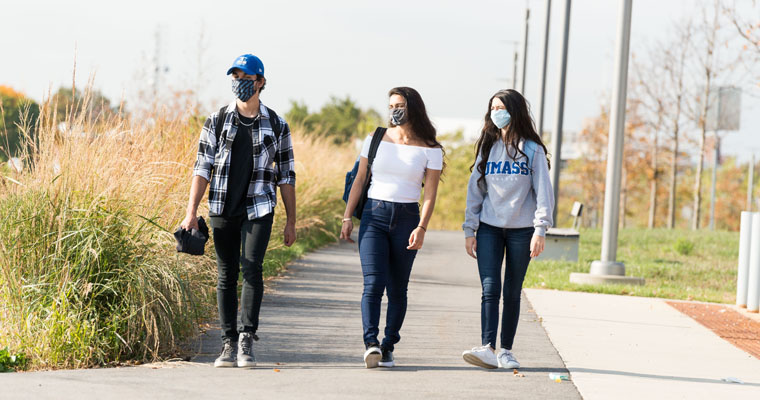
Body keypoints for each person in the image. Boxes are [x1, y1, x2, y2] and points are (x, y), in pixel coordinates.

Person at [181, 54, 297, 368]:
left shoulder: (277, 124)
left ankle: (246, 339)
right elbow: (201, 167)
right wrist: (191, 211)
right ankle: (228, 344)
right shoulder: (216, 120)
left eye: (245, 78)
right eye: (235, 77)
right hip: (222, 207)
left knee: (253, 269)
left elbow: (287, 175)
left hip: (259, 207)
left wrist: (291, 221)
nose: (239, 83)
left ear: (260, 82)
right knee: (226, 275)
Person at [340, 87, 444, 368]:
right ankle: (371, 343)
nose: (394, 110)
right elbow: (360, 180)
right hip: (374, 215)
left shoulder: (431, 148)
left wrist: (422, 227)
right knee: (373, 283)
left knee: (398, 289)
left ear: (413, 108)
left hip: (407, 218)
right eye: (391, 105)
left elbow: (431, 194)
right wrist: (347, 217)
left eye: (399, 105)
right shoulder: (374, 139)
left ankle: (388, 345)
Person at [461, 89, 554, 370]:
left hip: (522, 231)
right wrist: (469, 229)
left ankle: (507, 351)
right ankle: (487, 347)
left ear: (514, 111)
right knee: (490, 288)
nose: (495, 112)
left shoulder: (532, 150)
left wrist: (541, 230)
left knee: (513, 291)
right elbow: (475, 191)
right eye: (492, 108)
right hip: (489, 228)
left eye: (500, 107)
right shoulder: (488, 147)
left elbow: (544, 194)